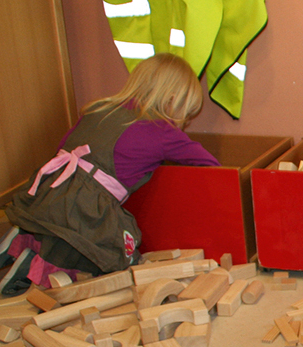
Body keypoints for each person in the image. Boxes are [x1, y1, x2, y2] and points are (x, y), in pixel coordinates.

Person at [3, 53, 219, 295]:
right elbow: (212, 167)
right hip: (85, 209)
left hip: (49, 188)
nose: (183, 124)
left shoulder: (99, 109)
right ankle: (31, 277)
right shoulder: (162, 130)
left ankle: (21, 250)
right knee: (106, 253)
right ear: (171, 101)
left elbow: (63, 147)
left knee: (49, 232)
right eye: (186, 115)